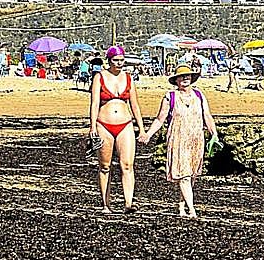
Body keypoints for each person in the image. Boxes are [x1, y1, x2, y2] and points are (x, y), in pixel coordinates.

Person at [140, 62, 219, 219]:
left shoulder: (199, 95)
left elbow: (207, 116)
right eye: (181, 76)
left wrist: (214, 134)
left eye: (187, 76)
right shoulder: (170, 97)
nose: (185, 78)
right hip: (178, 139)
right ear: (176, 80)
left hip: (196, 139)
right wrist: (148, 134)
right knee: (184, 175)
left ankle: (182, 206)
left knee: (192, 174)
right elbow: (160, 119)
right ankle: (192, 210)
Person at [88, 45, 145, 215]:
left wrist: (141, 128)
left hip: (125, 123)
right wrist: (92, 126)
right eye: (116, 60)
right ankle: (106, 204)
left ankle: (128, 202)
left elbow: (135, 105)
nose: (119, 63)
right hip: (103, 124)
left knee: (127, 164)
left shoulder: (128, 77)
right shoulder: (99, 77)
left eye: (121, 60)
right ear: (109, 60)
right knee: (105, 166)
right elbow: (94, 103)